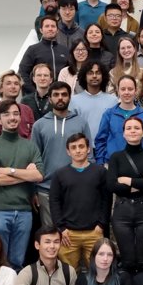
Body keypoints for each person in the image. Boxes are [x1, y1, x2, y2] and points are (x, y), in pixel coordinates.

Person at [0, 100, 44, 271]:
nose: (12, 117)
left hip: (24, 212)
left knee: (16, 263)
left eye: (16, 113)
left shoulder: (29, 146)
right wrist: (26, 174)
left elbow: (38, 175)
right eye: (7, 114)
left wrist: (10, 170)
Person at [31, 81, 91, 226]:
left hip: (77, 188)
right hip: (46, 189)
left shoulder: (81, 123)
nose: (60, 98)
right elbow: (33, 160)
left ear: (70, 98)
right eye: (56, 95)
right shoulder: (39, 125)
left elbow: (89, 155)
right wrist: (33, 190)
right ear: (50, 98)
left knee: (74, 234)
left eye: (64, 94)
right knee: (51, 236)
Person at [107, 116, 143, 275]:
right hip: (122, 211)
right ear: (123, 133)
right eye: (128, 128)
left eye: (137, 128)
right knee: (127, 259)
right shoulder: (116, 157)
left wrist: (127, 180)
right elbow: (112, 186)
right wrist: (141, 182)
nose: (132, 131)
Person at [50, 133, 109, 270]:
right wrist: (61, 228)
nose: (78, 150)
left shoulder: (100, 172)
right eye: (74, 147)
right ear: (68, 151)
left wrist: (101, 224)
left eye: (81, 146)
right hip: (68, 235)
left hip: (94, 232)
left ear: (88, 149)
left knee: (99, 271)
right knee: (67, 274)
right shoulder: (59, 174)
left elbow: (106, 199)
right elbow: (54, 201)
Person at [94, 75, 143, 166]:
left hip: (139, 166)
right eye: (123, 89)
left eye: (130, 89)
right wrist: (101, 163)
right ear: (118, 91)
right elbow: (100, 141)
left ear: (135, 91)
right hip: (112, 165)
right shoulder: (109, 114)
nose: (126, 92)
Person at [0, 70, 37, 148]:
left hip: (26, 155)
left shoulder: (27, 110)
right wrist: (5, 149)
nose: (13, 86)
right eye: (8, 83)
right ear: (1, 88)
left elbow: (33, 133)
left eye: (16, 83)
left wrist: (25, 148)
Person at [70, 61, 117, 148]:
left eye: (98, 73)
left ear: (103, 76)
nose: (94, 76)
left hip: (106, 149)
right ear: (84, 76)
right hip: (82, 149)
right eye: (90, 73)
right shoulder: (74, 100)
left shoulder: (113, 101)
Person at [19, 16, 71, 96]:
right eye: (47, 26)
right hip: (38, 96)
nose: (50, 29)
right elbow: (22, 72)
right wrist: (34, 92)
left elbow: (71, 72)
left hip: (60, 96)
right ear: (41, 30)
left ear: (57, 30)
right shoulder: (33, 49)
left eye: (53, 26)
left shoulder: (65, 50)